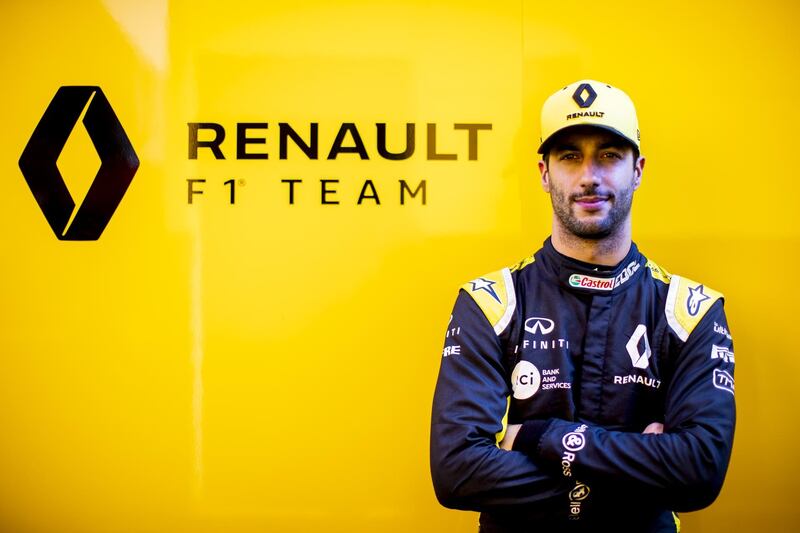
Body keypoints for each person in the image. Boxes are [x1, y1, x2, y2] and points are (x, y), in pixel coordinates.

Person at [429, 79, 736, 532]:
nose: (589, 175)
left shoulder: (691, 310)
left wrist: (538, 437)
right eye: (570, 155)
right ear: (544, 172)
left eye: (609, 155)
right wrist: (642, 469)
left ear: (638, 169)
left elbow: (699, 474)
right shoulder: (489, 302)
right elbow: (457, 472)